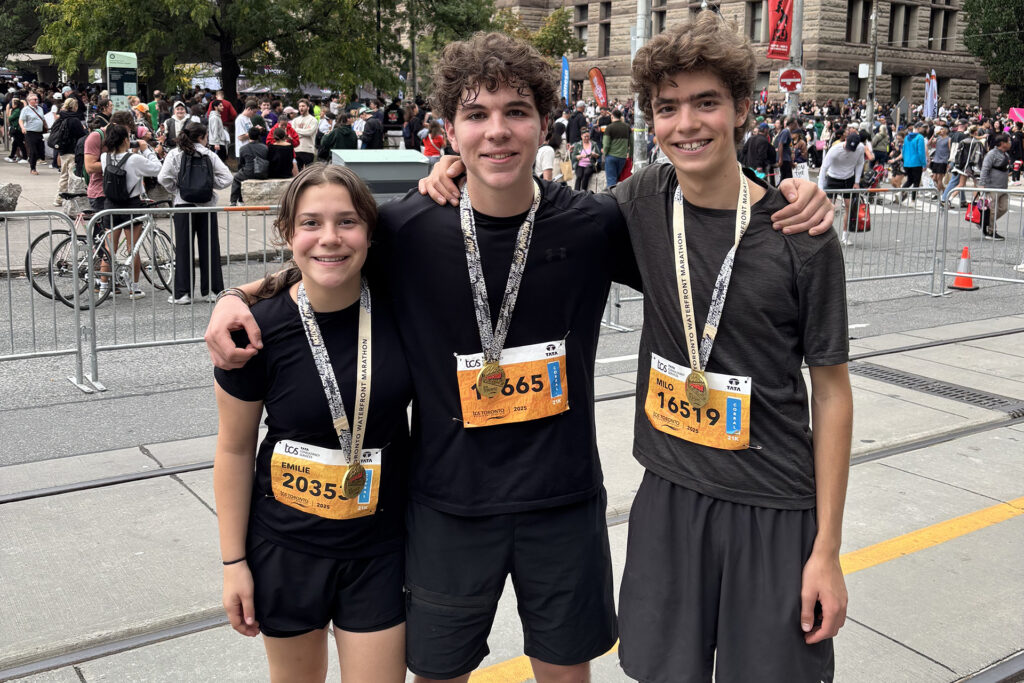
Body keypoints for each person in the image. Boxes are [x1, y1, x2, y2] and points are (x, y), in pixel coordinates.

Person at [205, 31, 833, 683]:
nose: (496, 131)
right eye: (476, 115)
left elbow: (703, 215)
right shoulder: (409, 229)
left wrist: (783, 192)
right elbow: (327, 259)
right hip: (448, 507)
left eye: (515, 112)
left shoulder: (594, 225)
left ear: (544, 123)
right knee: (438, 674)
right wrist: (236, 295)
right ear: (448, 130)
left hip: (562, 504)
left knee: (565, 673)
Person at [616, 14, 851, 682]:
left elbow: (832, 394)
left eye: (706, 102)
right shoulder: (638, 202)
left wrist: (826, 550)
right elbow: (533, 217)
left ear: (743, 108)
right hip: (670, 494)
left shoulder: (799, 234)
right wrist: (455, 168)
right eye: (668, 108)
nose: (685, 123)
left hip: (774, 509)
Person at [213, 164, 411, 683]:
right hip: (285, 548)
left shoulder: (402, 310)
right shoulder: (254, 331)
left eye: (347, 222)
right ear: (288, 234)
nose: (329, 238)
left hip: (379, 549)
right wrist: (233, 563)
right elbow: (233, 450)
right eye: (310, 223)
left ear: (369, 232)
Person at [157, 122, 232, 304]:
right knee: (210, 248)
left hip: (183, 205)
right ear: (201, 137)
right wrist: (208, 184)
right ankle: (213, 291)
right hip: (206, 205)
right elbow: (227, 178)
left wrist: (178, 189)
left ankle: (183, 293)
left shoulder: (175, 154)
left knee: (183, 249)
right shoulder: (209, 155)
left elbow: (163, 178)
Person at [99, 120, 162, 300]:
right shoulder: (134, 159)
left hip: (110, 205)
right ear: (126, 140)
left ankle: (104, 287)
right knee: (132, 248)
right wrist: (145, 149)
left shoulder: (105, 157)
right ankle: (134, 288)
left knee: (109, 248)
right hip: (131, 205)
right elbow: (156, 168)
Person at [819, 129, 873, 245]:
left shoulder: (859, 149)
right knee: (829, 208)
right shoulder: (835, 150)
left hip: (848, 179)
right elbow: (823, 168)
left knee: (849, 208)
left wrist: (857, 182)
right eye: (848, 147)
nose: (849, 151)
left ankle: (845, 235)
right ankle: (827, 236)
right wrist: (821, 187)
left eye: (852, 149)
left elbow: (860, 164)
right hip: (833, 178)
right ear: (846, 140)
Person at [53, 97, 87, 205]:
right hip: (73, 151)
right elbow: (82, 135)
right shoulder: (75, 120)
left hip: (63, 151)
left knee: (63, 175)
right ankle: (68, 199)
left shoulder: (60, 118)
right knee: (72, 176)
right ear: (75, 107)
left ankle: (59, 198)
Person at [980, 133, 1011, 242]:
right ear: (1002, 143)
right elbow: (985, 169)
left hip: (1003, 187)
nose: (1010, 143)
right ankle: (991, 231)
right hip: (992, 186)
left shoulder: (1006, 154)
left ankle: (984, 222)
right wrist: (982, 185)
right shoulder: (991, 154)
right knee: (992, 210)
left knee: (1004, 208)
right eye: (1008, 141)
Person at [231, 125, 269, 205]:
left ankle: (234, 201)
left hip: (248, 173)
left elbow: (241, 163)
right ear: (259, 136)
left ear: (249, 136)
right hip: (262, 173)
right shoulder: (264, 147)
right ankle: (239, 200)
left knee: (236, 178)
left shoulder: (243, 148)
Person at [19, 92, 47, 175]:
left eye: (37, 99)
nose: (36, 100)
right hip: (30, 132)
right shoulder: (26, 109)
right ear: (29, 101)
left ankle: (33, 160)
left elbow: (43, 119)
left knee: (40, 149)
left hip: (39, 132)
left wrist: (46, 126)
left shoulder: (40, 109)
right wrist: (23, 127)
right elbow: (21, 120)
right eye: (34, 99)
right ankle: (32, 168)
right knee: (33, 150)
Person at [602, 109, 630, 189]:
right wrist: (630, 154)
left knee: (611, 180)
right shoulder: (627, 127)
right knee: (617, 179)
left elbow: (606, 144)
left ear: (612, 116)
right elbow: (631, 142)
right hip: (622, 157)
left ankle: (610, 199)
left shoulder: (609, 128)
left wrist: (605, 153)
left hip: (611, 156)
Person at [901, 122, 927, 203]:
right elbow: (921, 152)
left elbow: (904, 151)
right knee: (916, 182)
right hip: (916, 163)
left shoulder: (906, 138)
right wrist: (924, 164)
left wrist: (905, 161)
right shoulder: (920, 137)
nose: (924, 129)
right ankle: (913, 199)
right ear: (918, 128)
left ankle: (901, 191)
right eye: (922, 127)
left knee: (909, 180)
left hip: (907, 163)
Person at [292, 98, 318, 170]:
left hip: (308, 150)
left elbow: (309, 132)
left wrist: (297, 130)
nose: (301, 108)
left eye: (303, 106)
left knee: (308, 173)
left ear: (308, 107)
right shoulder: (295, 120)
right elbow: (292, 134)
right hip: (297, 149)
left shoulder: (313, 120)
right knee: (298, 173)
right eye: (300, 106)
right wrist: (304, 131)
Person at [5, 98, 27, 163]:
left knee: (20, 144)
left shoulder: (17, 111)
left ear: (16, 104)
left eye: (13, 103)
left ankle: (25, 157)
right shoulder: (17, 110)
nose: (11, 105)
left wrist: (9, 113)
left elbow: (10, 118)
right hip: (17, 129)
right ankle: (11, 156)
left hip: (17, 129)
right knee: (15, 144)